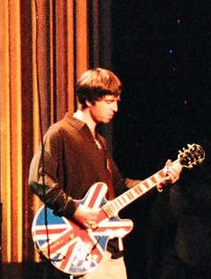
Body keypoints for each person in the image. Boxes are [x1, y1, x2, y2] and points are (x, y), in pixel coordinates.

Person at [28, 68, 182, 278]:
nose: (115, 108)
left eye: (116, 101)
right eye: (110, 101)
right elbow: (39, 179)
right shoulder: (60, 133)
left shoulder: (100, 142)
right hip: (81, 248)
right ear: (90, 100)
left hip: (109, 247)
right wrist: (75, 210)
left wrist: (159, 181)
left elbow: (119, 187)